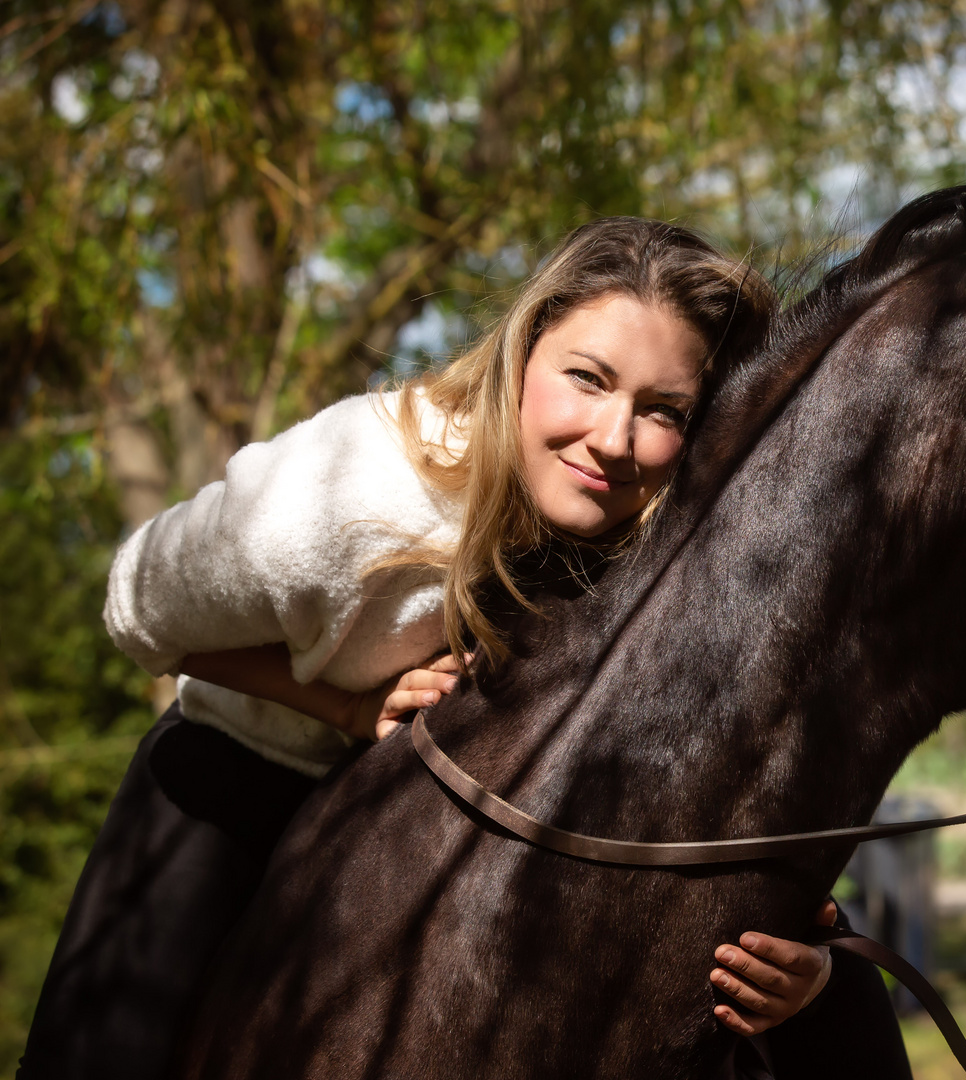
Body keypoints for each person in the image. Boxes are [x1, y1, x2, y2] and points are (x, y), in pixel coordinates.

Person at [19, 218, 910, 1080]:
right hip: (243, 777)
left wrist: (820, 964)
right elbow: (137, 609)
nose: (612, 438)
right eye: (587, 378)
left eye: (663, 410)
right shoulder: (353, 492)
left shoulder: (646, 534)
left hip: (436, 822)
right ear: (524, 353)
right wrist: (346, 708)